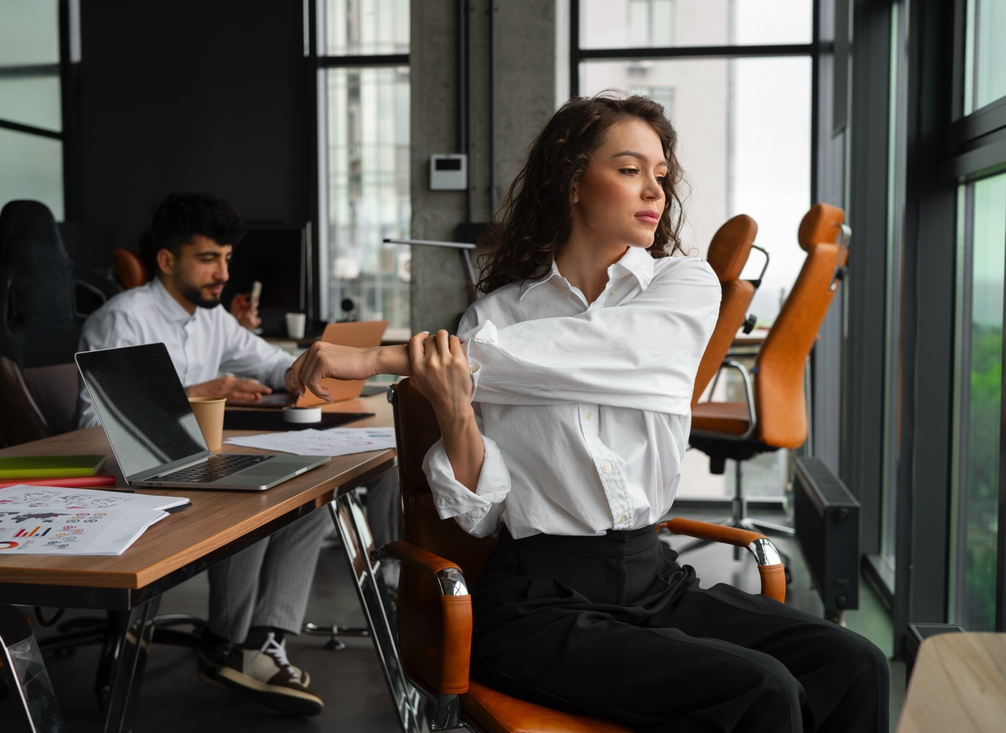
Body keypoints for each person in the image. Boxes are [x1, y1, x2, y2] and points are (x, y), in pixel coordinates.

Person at [289, 92, 889, 732]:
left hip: (655, 581)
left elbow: (613, 354)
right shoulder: (495, 318)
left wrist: (386, 358)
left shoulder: (682, 286)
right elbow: (486, 513)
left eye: (660, 174)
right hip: (535, 602)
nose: (654, 191)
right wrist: (457, 412)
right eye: (630, 170)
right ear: (573, 182)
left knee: (855, 663)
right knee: (761, 690)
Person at [77, 192, 352, 717]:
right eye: (208, 259)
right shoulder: (122, 321)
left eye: (226, 257)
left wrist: (313, 366)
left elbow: (272, 364)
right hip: (136, 475)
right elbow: (90, 429)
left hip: (194, 463)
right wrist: (196, 394)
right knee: (254, 496)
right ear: (166, 261)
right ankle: (224, 643)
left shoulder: (211, 317)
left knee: (313, 485)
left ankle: (265, 640)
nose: (223, 272)